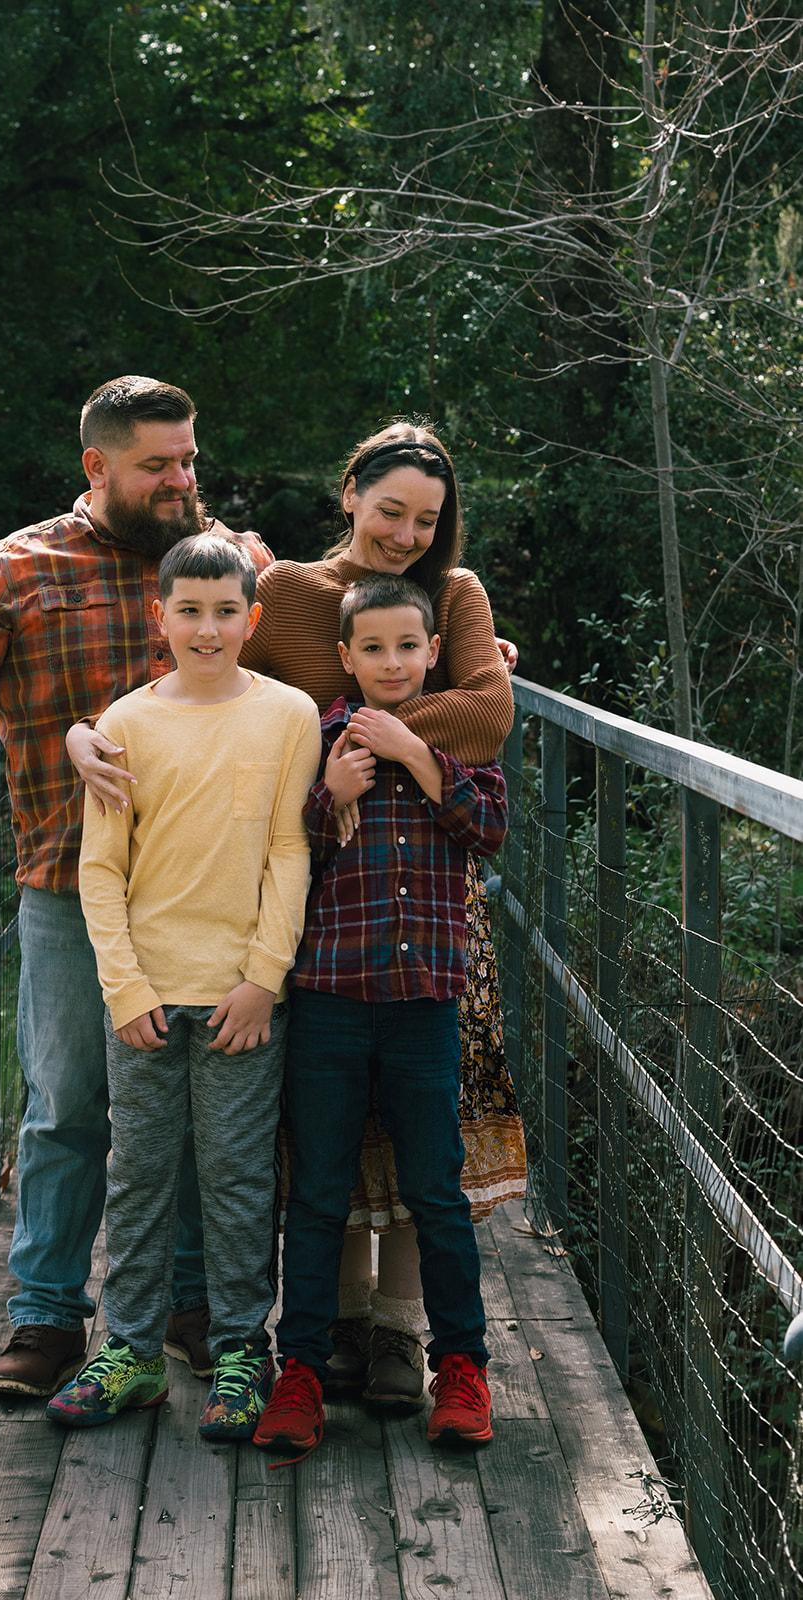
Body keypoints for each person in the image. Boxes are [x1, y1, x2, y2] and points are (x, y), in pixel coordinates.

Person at [66, 419, 525, 1403]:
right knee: (324, 1137)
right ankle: (333, 1329)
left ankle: (401, 1332)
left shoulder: (454, 595)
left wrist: (376, 731)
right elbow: (206, 668)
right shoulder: (289, 593)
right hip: (317, 887)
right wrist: (84, 729)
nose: (405, 534)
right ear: (348, 489)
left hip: (425, 898)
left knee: (419, 1138)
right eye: (390, 509)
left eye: (426, 519)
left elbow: (488, 718)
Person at [0, 377, 273, 1397]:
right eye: (158, 464)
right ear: (97, 467)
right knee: (67, 1105)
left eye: (189, 459)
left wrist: (467, 653)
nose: (182, 480)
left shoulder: (223, 561)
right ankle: (47, 1317)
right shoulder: (22, 565)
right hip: (66, 887)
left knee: (196, 1109)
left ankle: (189, 1308)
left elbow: (334, 629)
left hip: (207, 893)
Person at [46, 534, 321, 1440]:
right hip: (148, 1001)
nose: (208, 628)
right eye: (189, 611)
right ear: (158, 617)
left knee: (240, 1177)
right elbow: (100, 869)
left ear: (252, 617)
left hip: (241, 999)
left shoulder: (289, 715)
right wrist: (124, 989)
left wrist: (263, 980)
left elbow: (289, 849)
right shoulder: (124, 724)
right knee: (140, 1174)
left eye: (226, 610)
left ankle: (244, 1350)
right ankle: (126, 1350)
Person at [252, 573, 508, 1459]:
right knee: (317, 1191)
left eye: (408, 646)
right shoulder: (317, 740)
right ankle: (303, 1373)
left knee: (436, 1191)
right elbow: (282, 848)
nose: (391, 661)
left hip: (423, 1006)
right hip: (328, 999)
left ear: (433, 653)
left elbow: (487, 829)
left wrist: (416, 756)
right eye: (373, 648)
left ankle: (462, 1369)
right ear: (345, 658)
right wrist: (331, 794)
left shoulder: (456, 742)